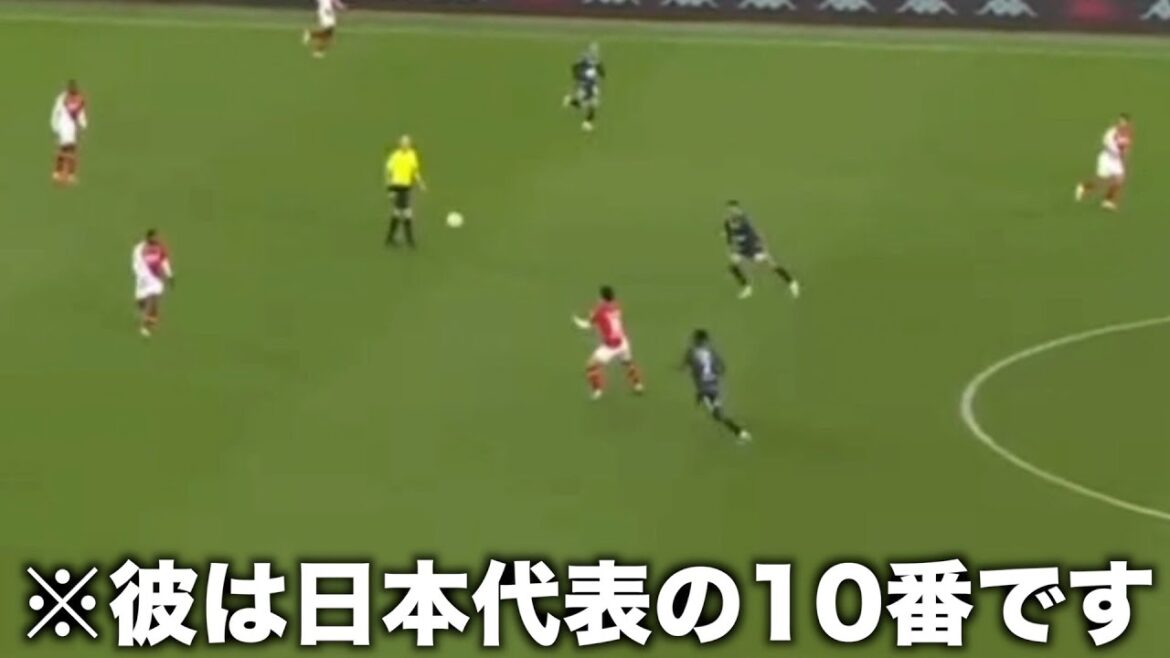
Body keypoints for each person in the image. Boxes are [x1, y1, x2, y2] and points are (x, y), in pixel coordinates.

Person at [572, 285, 644, 400]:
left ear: (601, 297)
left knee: (590, 366)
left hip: (610, 347)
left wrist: (578, 321)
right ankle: (638, 385)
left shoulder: (599, 310)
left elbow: (587, 325)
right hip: (623, 343)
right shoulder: (617, 306)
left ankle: (597, 390)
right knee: (628, 363)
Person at [682, 329, 751, 443]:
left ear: (696, 340)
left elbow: (685, 367)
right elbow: (722, 368)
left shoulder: (691, 353)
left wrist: (692, 371)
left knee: (717, 415)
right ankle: (740, 432)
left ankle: (740, 432)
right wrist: (713, 373)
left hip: (703, 390)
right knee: (718, 413)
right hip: (714, 387)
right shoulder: (711, 352)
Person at [724, 200, 800, 299]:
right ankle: (746, 287)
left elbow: (746, 232)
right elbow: (729, 236)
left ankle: (792, 283)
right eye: (729, 210)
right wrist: (731, 249)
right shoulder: (728, 222)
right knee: (733, 266)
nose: (731, 212)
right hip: (742, 248)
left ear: (738, 209)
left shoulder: (744, 219)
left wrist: (761, 246)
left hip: (753, 248)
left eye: (733, 209)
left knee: (772, 265)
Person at [1076, 113, 1132, 211]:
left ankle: (1107, 201)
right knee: (1101, 182)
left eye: (1124, 122)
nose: (1121, 124)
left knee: (1119, 179)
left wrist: (1124, 154)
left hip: (1116, 160)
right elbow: (1106, 143)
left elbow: (1126, 146)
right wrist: (1117, 151)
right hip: (1106, 158)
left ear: (1127, 123)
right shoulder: (1111, 132)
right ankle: (1083, 187)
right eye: (1120, 121)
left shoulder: (1127, 133)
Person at [384, 135, 427, 247]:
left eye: (407, 143)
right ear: (400, 144)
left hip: (406, 187)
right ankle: (409, 240)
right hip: (397, 186)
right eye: (404, 143)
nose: (406, 145)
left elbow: (415, 171)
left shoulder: (412, 155)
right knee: (406, 213)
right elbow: (388, 173)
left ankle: (390, 239)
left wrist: (420, 183)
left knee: (398, 213)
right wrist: (389, 190)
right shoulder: (395, 156)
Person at [132, 230, 174, 338]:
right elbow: (136, 263)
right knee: (140, 302)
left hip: (155, 279)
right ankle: (147, 316)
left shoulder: (160, 248)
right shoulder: (139, 249)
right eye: (154, 237)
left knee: (154, 297)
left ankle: (146, 325)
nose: (156, 239)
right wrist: (140, 275)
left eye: (157, 237)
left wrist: (169, 275)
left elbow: (164, 261)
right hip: (143, 278)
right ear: (148, 237)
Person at [50, 80, 87, 185]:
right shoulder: (62, 99)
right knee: (63, 149)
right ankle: (57, 172)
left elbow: (80, 113)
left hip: (72, 127)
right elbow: (56, 112)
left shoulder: (78, 99)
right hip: (63, 126)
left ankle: (70, 174)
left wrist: (83, 124)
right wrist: (55, 126)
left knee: (72, 150)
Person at [563, 42, 605, 132]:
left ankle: (587, 122)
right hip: (587, 87)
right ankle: (572, 103)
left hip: (589, 86)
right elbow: (601, 73)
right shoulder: (588, 64)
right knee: (586, 105)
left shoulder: (589, 63)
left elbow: (602, 73)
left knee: (590, 105)